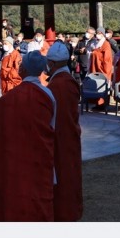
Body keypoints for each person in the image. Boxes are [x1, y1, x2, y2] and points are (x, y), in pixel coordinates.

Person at [0, 51, 56, 221]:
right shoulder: (48, 96)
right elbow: (52, 127)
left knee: (14, 197)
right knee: (38, 195)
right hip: (39, 155)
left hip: (13, 157)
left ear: (22, 69)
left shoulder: (5, 101)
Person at [45, 41, 84, 221]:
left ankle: (64, 212)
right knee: (71, 174)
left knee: (62, 176)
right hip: (70, 134)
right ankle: (72, 209)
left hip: (59, 136)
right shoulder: (67, 81)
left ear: (52, 63)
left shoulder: (57, 85)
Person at [89, 27, 114, 110]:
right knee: (96, 85)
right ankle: (97, 104)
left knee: (102, 86)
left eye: (99, 33)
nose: (97, 34)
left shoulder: (106, 44)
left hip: (102, 68)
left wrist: (95, 53)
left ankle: (103, 105)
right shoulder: (98, 43)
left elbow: (106, 59)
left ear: (103, 34)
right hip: (96, 68)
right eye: (97, 33)